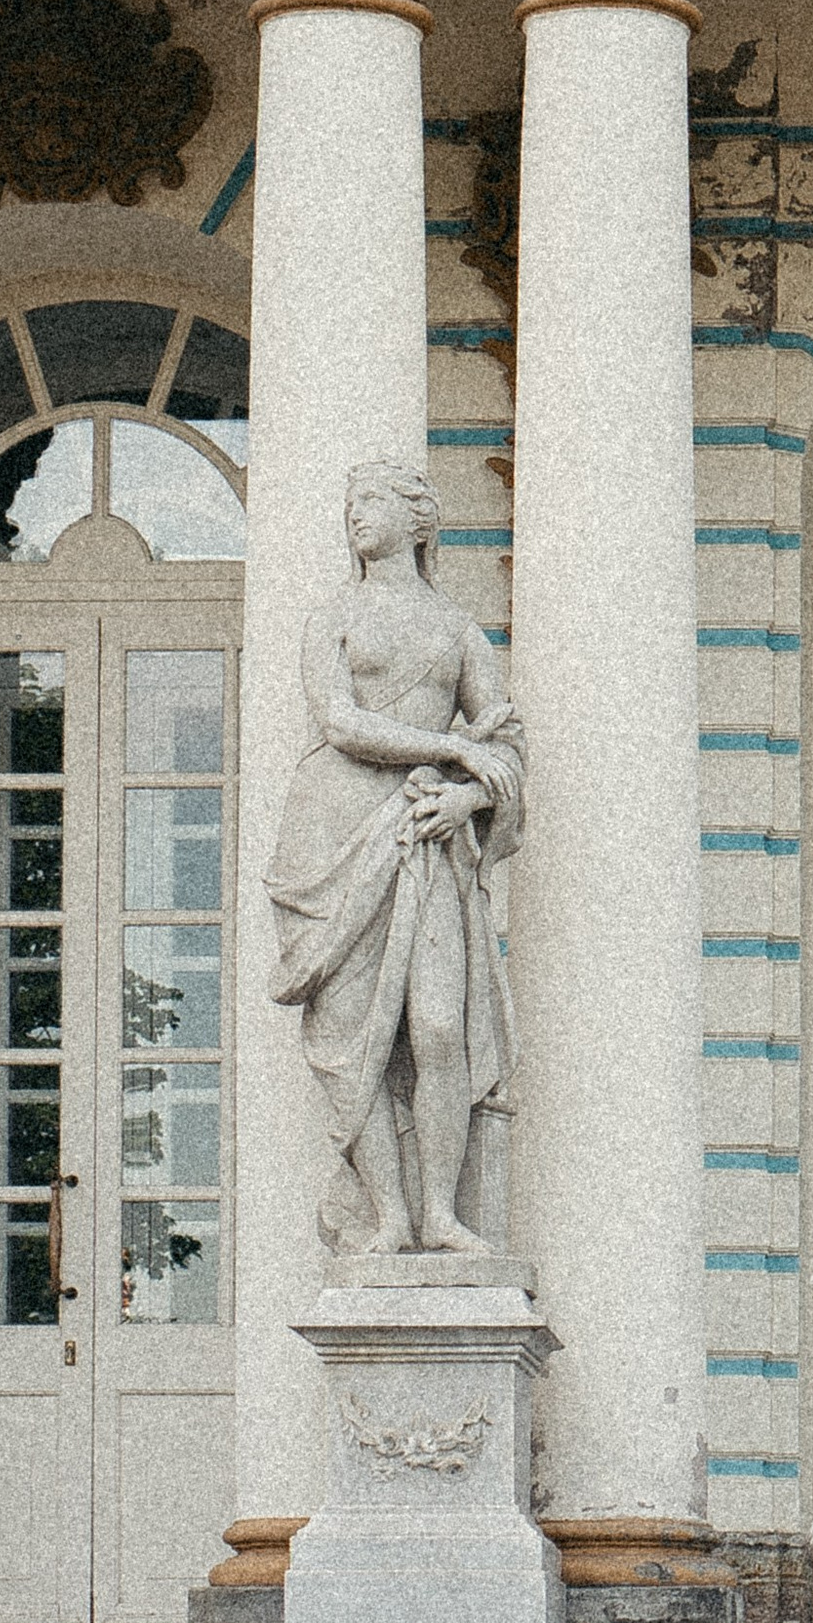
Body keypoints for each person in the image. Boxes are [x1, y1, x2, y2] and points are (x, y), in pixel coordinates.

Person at [264, 461, 525, 1257]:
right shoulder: (332, 617)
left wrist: (467, 800)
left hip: (426, 835)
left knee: (440, 1029)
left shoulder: (456, 628)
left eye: (370, 501)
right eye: (349, 504)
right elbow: (341, 723)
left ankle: (442, 1214)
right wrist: (452, 749)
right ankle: (390, 1217)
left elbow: (507, 742)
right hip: (332, 832)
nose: (355, 516)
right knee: (353, 1042)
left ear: (419, 521)